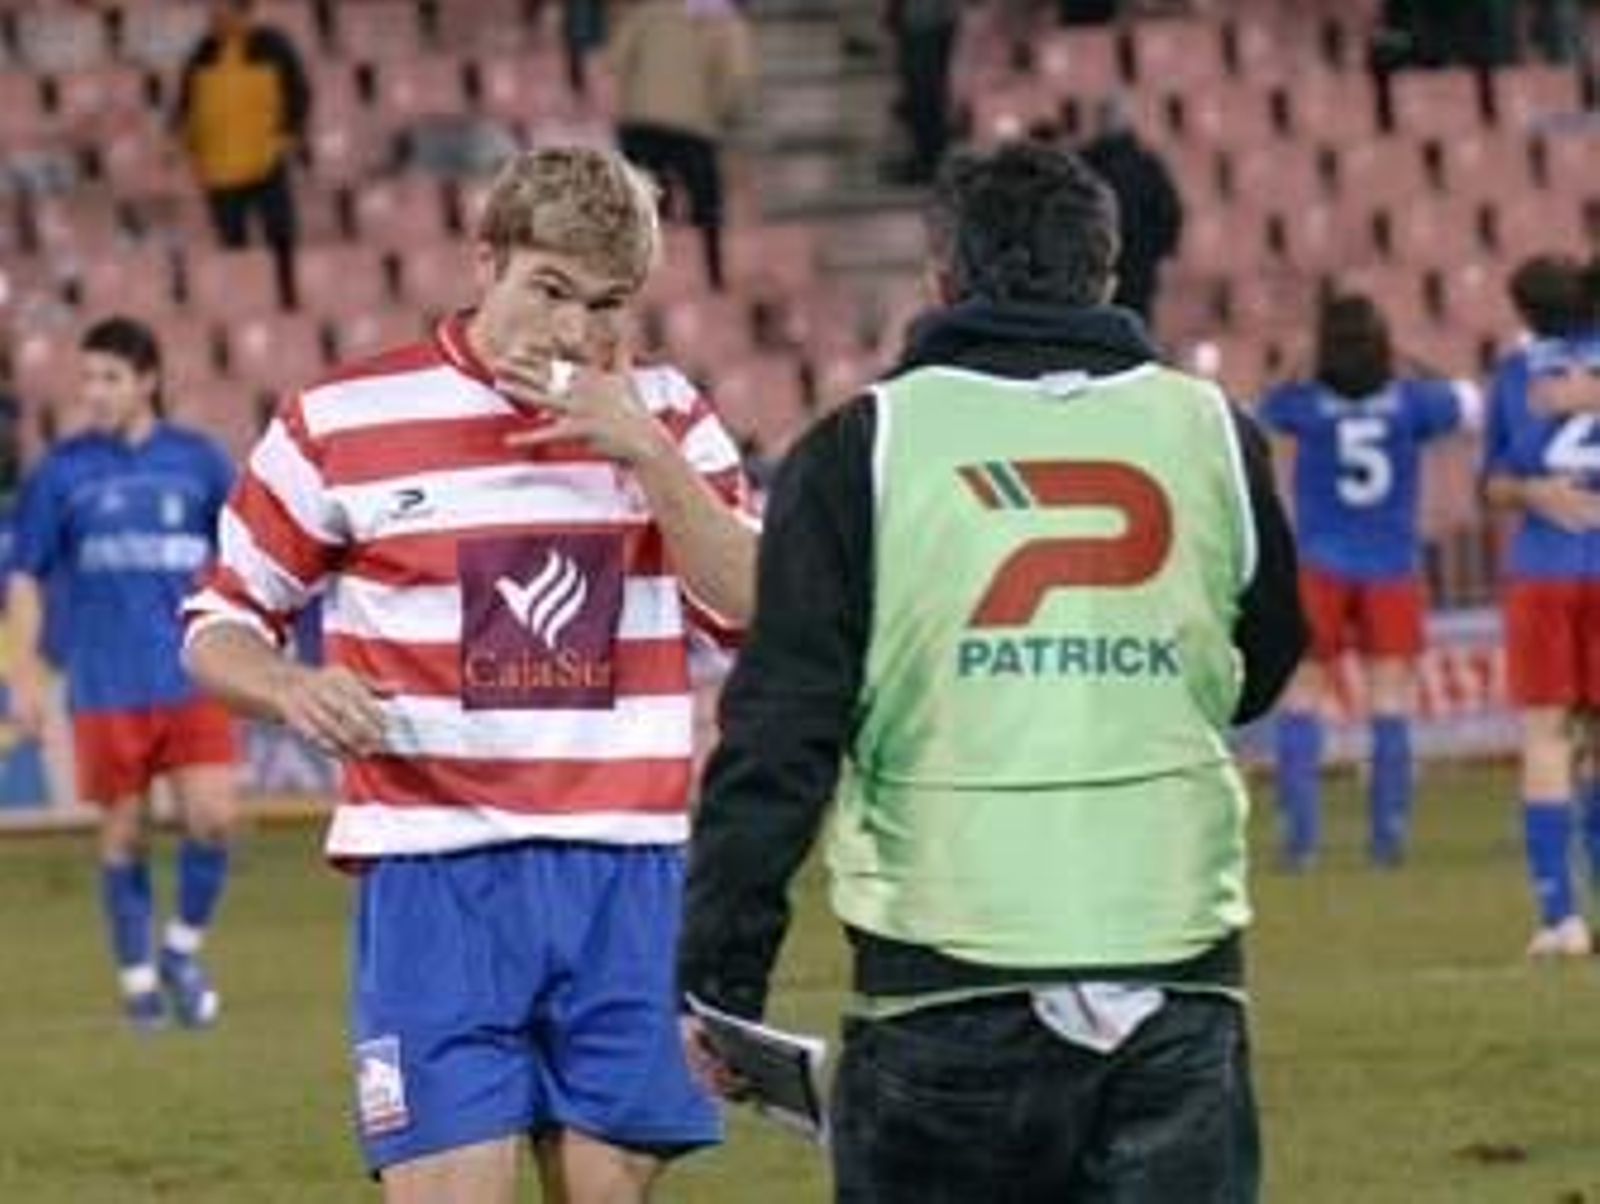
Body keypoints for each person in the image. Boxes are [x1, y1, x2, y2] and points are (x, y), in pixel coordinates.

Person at [677, 142, 1305, 1202]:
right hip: (1173, 956)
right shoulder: (1213, 432)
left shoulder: (863, 446)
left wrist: (719, 977)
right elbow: (1267, 658)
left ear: (944, 278)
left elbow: (781, 732)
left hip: (943, 966)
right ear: (1107, 272)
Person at [182, 146, 757, 1202]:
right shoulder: (341, 419)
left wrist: (647, 454)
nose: (574, 332)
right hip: (435, 870)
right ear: (484, 261)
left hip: (627, 873)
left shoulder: (668, 414)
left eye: (607, 305)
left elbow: (751, 609)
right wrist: (292, 688)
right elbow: (219, 623)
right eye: (549, 289)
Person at [7, 316, 239, 1030]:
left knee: (214, 818)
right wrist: (25, 675)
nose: (95, 392)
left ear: (148, 380)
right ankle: (139, 986)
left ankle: (180, 951)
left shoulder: (200, 461)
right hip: (105, 683)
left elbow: (243, 559)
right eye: (87, 379)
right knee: (123, 833)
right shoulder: (61, 471)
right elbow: (25, 577)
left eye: (110, 378)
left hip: (194, 675)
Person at [1257, 293, 1481, 870]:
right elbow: (1469, 400)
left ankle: (1300, 842)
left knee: (1302, 697)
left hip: (1319, 568)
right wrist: (1406, 359)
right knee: (1389, 701)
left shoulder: (1305, 405)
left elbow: (1261, 410)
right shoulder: (1412, 402)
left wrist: (1299, 360)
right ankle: (1388, 838)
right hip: (1393, 569)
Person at [1481, 253, 1600, 958]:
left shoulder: (1516, 371)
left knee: (1545, 737)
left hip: (1543, 567)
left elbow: (1494, 484)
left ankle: (1561, 918)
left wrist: (1531, 492)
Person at [173, 0, 311, 309]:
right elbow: (186, 106)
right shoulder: (202, 51)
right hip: (219, 169)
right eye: (212, 12)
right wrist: (187, 147)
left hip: (266, 162)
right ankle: (245, 305)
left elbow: (298, 94)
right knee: (233, 244)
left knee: (280, 234)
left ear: (242, 12)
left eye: (221, 11)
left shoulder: (273, 45)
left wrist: (286, 138)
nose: (214, 17)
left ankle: (287, 302)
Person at [611, 0, 756, 292]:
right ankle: (714, 278)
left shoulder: (649, 9)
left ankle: (627, 279)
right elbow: (738, 75)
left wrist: (631, 100)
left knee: (635, 204)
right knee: (708, 210)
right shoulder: (726, 20)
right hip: (693, 126)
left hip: (640, 121)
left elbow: (617, 59)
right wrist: (716, 110)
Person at [1079, 96, 1185, 322]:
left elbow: (1169, 213)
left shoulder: (1086, 164)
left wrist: (1157, 251)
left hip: (1116, 267)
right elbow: (1170, 213)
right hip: (1117, 267)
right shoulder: (1085, 164)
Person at [886, 0, 962, 184]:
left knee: (925, 89)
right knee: (922, 89)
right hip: (925, 22)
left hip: (927, 23)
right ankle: (929, 156)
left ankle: (930, 159)